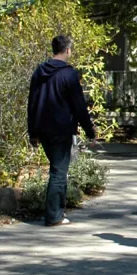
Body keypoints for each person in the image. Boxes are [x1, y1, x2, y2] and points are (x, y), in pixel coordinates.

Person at [27, 34, 97, 227]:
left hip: (42, 127)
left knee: (56, 169)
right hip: (61, 129)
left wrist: (32, 131)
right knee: (59, 172)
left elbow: (32, 103)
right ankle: (54, 215)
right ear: (67, 50)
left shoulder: (39, 72)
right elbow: (78, 105)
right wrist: (89, 130)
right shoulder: (69, 74)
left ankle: (55, 210)